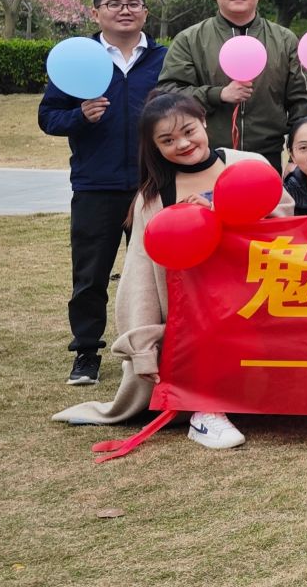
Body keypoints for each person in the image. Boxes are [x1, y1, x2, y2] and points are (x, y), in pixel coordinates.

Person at [52, 93, 292, 446]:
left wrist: (222, 212)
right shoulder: (153, 198)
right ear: (154, 146)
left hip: (256, 299)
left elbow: (284, 221)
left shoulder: (248, 164)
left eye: (188, 131)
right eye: (167, 140)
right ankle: (205, 413)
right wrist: (142, 348)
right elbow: (141, 276)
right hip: (194, 315)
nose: (182, 144)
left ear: (204, 121)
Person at [38, 0, 167, 386]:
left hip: (155, 184)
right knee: (90, 275)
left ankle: (163, 346)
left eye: (133, 3)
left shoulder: (165, 59)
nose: (124, 10)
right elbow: (48, 117)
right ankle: (86, 352)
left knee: (161, 272)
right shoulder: (81, 58)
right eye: (114, 4)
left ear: (145, 11)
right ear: (96, 13)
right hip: (97, 184)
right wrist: (80, 116)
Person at [154, 0, 307, 172]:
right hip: (205, 155)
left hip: (266, 155)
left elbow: (302, 99)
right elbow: (168, 93)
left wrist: (297, 155)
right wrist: (218, 94)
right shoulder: (190, 39)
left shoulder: (284, 40)